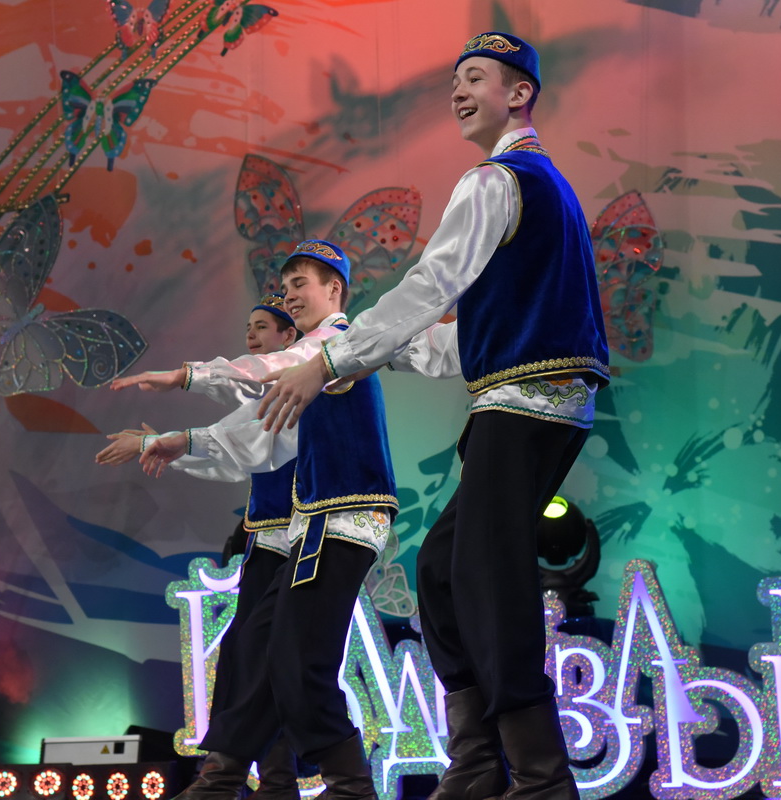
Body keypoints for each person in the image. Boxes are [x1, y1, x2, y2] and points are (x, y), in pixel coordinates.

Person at [257, 33, 610, 800]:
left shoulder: (496, 182)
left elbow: (429, 285)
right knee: (443, 570)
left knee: (485, 575)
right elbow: (470, 337)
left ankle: (541, 776)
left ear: (519, 92)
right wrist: (370, 351)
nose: (458, 91)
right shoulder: (541, 187)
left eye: (475, 78)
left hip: (524, 406)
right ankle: (477, 761)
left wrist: (329, 361)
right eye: (455, 80)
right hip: (535, 400)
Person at [126, 240, 399, 800]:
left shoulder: (338, 343)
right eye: (286, 285)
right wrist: (179, 441)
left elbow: (268, 372)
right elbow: (259, 434)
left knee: (295, 657)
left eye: (301, 284)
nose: (290, 294)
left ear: (335, 290)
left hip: (343, 518)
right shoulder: (307, 362)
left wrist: (186, 376)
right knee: (253, 648)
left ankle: (347, 784)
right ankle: (223, 777)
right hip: (309, 526)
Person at [96, 295, 304, 800]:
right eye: (248, 326)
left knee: (270, 658)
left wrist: (169, 437)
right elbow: (230, 453)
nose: (251, 335)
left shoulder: (301, 392)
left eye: (263, 327)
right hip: (267, 541)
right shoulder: (263, 402)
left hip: (302, 538)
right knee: (246, 655)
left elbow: (243, 440)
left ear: (289, 338)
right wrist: (169, 446)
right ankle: (260, 782)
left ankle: (238, 780)